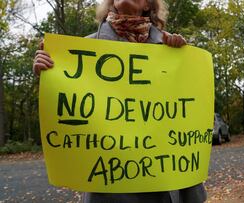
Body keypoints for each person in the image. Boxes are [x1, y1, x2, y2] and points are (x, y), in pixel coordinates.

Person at [32, 0, 207, 203]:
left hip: (162, 180)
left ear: (148, 6)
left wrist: (183, 58)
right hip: (108, 183)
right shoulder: (82, 51)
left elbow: (186, 108)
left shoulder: (170, 47)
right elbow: (67, 105)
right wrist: (49, 73)